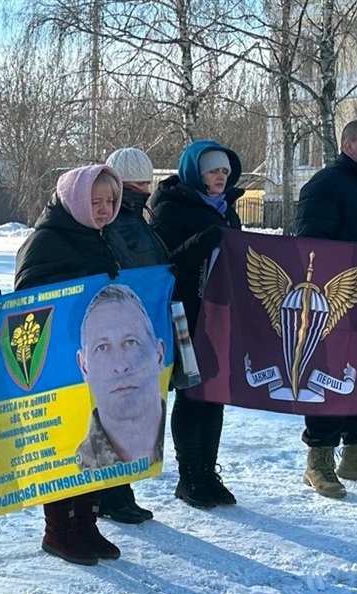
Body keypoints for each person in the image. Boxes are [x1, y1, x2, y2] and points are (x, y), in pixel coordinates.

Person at [13, 164, 126, 566]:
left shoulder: (102, 236)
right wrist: (82, 285)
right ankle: (58, 529)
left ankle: (87, 524)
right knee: (65, 445)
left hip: (98, 359)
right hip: (58, 360)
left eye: (110, 201)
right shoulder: (46, 240)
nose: (104, 209)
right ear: (76, 201)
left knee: (96, 441)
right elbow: (26, 302)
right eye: (95, 202)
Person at [149, 139, 243, 509]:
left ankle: (207, 471)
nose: (220, 178)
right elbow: (166, 264)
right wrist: (202, 243)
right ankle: (188, 476)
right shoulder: (171, 209)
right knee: (193, 393)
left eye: (224, 171)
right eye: (212, 171)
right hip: (185, 314)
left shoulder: (225, 209)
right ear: (195, 172)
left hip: (221, 314)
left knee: (215, 394)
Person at [296, 117, 357, 498]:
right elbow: (312, 246)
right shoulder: (325, 186)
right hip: (336, 303)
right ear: (349, 145)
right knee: (327, 376)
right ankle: (319, 458)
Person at [95, 146, 170, 524]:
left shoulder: (139, 220)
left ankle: (119, 491)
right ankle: (112, 494)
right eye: (135, 184)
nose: (143, 190)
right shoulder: (121, 225)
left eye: (146, 182)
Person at [75, 285, 166, 473]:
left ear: (159, 355)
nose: (120, 365)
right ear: (84, 366)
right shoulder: (75, 466)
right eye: (102, 347)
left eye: (131, 342)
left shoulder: (184, 438)